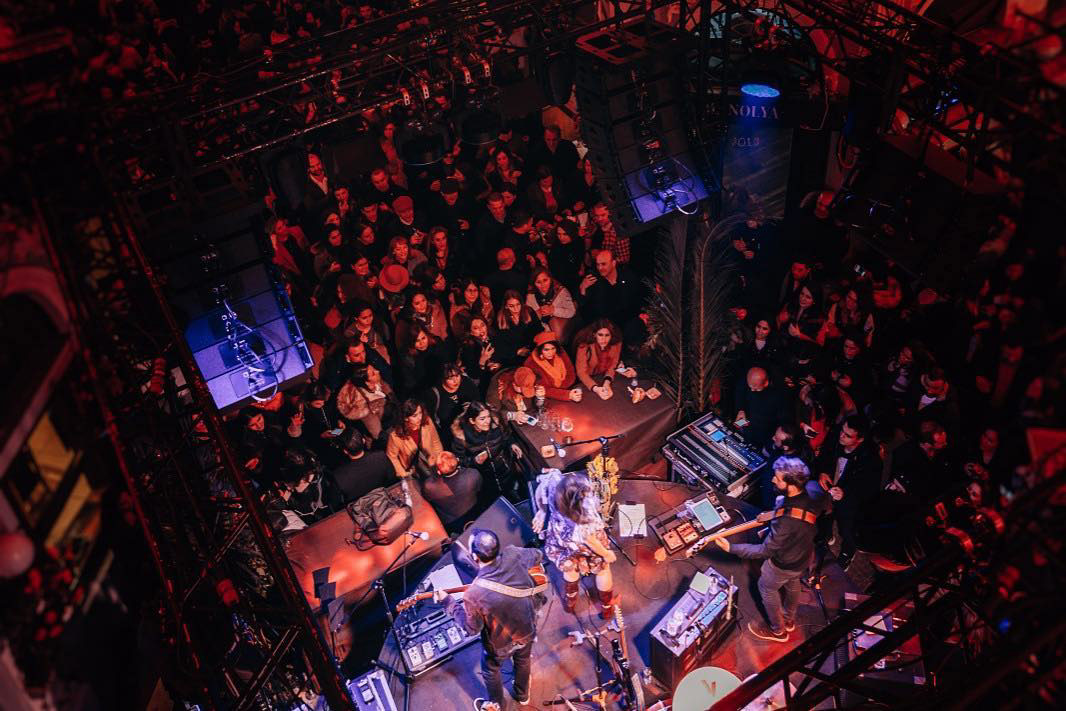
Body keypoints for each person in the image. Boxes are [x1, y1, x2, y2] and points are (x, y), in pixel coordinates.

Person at [713, 457, 827, 642]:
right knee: (793, 584)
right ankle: (789, 620)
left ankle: (778, 631)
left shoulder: (784, 523)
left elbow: (764, 551)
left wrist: (731, 547)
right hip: (804, 557)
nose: (773, 480)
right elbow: (801, 514)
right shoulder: (812, 493)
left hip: (783, 564)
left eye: (778, 478)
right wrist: (773, 513)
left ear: (791, 485)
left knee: (766, 588)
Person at [433, 530, 547, 711]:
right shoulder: (512, 553)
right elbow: (537, 555)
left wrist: (448, 602)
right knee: (523, 659)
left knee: (490, 671)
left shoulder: (474, 594)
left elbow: (472, 629)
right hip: (527, 628)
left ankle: (497, 705)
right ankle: (522, 695)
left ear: (475, 557)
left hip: (500, 644)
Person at [532, 470, 616, 617]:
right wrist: (607, 554)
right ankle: (607, 608)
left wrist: (542, 511)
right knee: (603, 569)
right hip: (586, 545)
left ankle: (570, 603)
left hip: (562, 541)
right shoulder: (586, 515)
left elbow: (540, 490)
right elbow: (590, 540)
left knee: (570, 569)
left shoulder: (554, 484)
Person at [815, 415, 882, 570]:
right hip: (829, 488)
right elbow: (824, 454)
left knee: (847, 529)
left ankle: (847, 553)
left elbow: (869, 490)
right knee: (825, 515)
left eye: (848, 435)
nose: (841, 436)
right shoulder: (836, 435)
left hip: (849, 501)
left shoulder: (871, 459)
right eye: (842, 431)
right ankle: (826, 535)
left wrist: (845, 494)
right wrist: (823, 471)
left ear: (860, 439)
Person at [451, 401, 526, 499]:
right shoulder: (462, 437)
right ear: (472, 421)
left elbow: (506, 435)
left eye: (488, 417)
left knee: (515, 492)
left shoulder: (496, 423)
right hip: (486, 480)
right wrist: (475, 461)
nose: (487, 421)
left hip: (506, 468)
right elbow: (459, 460)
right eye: (482, 419)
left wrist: (512, 443)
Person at [329, 425, 396, 502]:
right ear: (363, 441)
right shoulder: (380, 457)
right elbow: (393, 481)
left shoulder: (339, 476)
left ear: (345, 451)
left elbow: (335, 503)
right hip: (385, 501)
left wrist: (335, 431)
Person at [421, 451, 482, 530]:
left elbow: (427, 497)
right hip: (473, 512)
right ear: (457, 460)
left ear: (439, 471)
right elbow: (478, 489)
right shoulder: (473, 474)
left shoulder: (429, 486)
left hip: (451, 522)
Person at [573, 319, 633, 399]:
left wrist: (607, 383)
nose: (604, 339)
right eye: (600, 335)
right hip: (586, 380)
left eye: (607, 335)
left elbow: (613, 365)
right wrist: (596, 388)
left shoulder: (616, 344)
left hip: (605, 376)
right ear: (594, 334)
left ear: (611, 336)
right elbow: (581, 372)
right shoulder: (584, 346)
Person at [385, 399, 443, 480]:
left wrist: (440, 461)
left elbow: (435, 441)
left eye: (420, 412)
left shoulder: (427, 421)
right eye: (415, 415)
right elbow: (392, 457)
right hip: (415, 473)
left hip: (433, 466)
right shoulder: (395, 436)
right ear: (406, 418)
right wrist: (404, 474)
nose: (420, 417)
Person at [524, 331, 581, 402]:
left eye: (553, 348)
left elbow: (571, 372)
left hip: (568, 389)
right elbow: (542, 389)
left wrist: (566, 390)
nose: (551, 353)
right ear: (540, 350)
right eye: (546, 350)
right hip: (547, 397)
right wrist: (567, 394)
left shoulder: (560, 352)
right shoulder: (531, 363)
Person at [525, 267, 576, 342]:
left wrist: (554, 310)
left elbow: (572, 311)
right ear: (534, 283)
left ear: (550, 278)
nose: (543, 285)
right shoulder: (530, 296)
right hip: (541, 332)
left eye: (545, 280)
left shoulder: (561, 291)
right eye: (538, 282)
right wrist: (537, 313)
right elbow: (527, 319)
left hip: (560, 331)